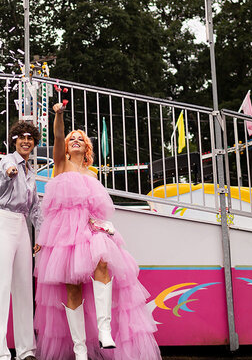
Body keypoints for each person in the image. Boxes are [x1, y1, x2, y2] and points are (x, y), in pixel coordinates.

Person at [33, 103, 161, 360]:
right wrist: (58, 114)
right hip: (63, 236)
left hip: (89, 231)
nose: (76, 140)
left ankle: (104, 329)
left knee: (103, 262)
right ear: (67, 147)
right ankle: (80, 350)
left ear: (87, 148)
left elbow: (98, 210)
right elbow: (58, 135)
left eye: (81, 138)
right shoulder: (61, 165)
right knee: (72, 289)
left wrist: (102, 226)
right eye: (73, 139)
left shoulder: (92, 176)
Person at [0, 119, 43, 360]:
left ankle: (26, 350)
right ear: (15, 140)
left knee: (24, 287)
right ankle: (0, 353)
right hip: (3, 220)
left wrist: (40, 235)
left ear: (34, 143)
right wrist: (11, 171)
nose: (25, 141)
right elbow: (5, 171)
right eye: (21, 137)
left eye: (30, 138)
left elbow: (35, 208)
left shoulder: (30, 171)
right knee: (1, 287)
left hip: (22, 224)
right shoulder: (8, 162)